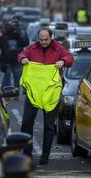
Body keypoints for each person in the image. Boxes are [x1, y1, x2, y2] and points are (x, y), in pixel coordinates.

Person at [18, 27, 74, 164]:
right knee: (26, 123)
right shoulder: (33, 48)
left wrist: (63, 61)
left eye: (46, 39)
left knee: (49, 126)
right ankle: (27, 154)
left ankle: (45, 155)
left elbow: (70, 58)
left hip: (50, 94)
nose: (43, 42)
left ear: (51, 37)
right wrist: (23, 59)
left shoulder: (58, 49)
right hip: (34, 93)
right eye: (41, 39)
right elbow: (21, 55)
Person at [0, 18, 27, 88]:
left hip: (7, 60)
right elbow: (25, 43)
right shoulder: (19, 35)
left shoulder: (3, 37)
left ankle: (6, 93)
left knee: (6, 78)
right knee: (17, 79)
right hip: (17, 60)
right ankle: (15, 94)